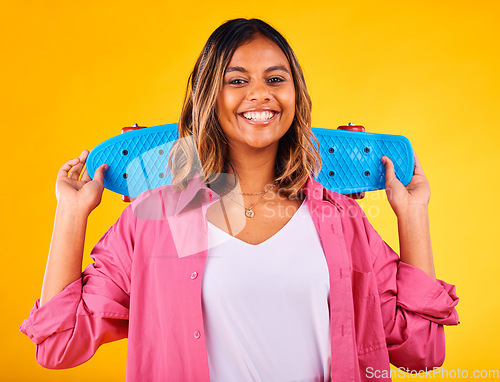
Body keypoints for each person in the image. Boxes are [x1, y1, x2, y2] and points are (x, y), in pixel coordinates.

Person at [20, 18, 459, 382]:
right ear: (209, 98)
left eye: (275, 79)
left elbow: (421, 351)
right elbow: (59, 345)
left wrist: (413, 214)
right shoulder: (159, 220)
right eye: (237, 80)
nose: (260, 93)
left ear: (295, 96)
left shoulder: (339, 220)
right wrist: (71, 214)